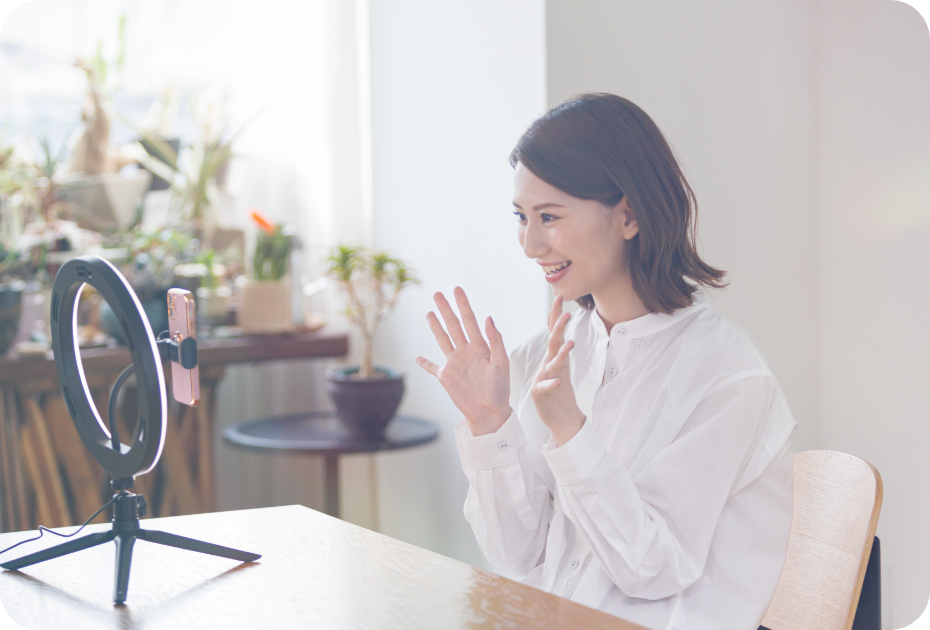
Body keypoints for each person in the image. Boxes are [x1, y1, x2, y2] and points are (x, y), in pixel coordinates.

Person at [415, 93, 796, 630]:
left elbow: (653, 570)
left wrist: (570, 430)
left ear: (629, 215)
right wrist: (490, 425)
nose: (529, 244)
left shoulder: (728, 379)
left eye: (549, 217)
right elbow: (518, 555)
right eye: (522, 217)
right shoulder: (550, 353)